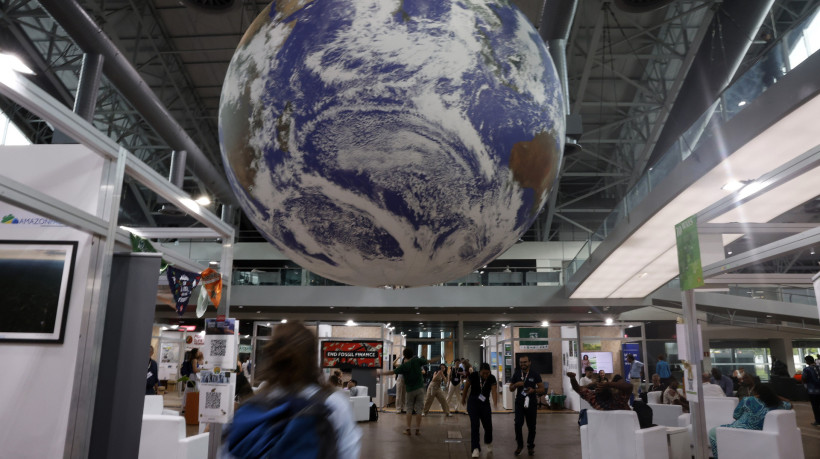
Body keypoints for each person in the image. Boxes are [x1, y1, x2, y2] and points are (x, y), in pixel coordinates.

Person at [221, 321, 361, 459]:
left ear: (272, 358)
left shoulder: (251, 406)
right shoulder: (333, 404)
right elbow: (348, 452)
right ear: (312, 358)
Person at [708, 384, 791, 458]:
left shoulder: (748, 400)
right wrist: (775, 396)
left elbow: (735, 415)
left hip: (738, 431)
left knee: (712, 432)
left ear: (757, 393)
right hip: (761, 434)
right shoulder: (781, 405)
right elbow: (790, 404)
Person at [382, 348, 427, 435]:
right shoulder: (404, 364)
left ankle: (403, 409)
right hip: (400, 379)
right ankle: (399, 409)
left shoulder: (411, 364)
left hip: (407, 382)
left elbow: (392, 371)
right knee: (399, 394)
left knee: (405, 396)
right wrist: (398, 358)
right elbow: (393, 364)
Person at [509, 355, 544, 456]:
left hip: (531, 403)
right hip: (519, 403)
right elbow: (510, 389)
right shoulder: (516, 374)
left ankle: (530, 446)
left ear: (529, 362)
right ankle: (519, 445)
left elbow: (542, 389)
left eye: (524, 362)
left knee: (531, 426)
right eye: (521, 362)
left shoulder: (535, 374)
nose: (522, 364)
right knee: (518, 424)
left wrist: (534, 390)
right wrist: (515, 385)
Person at [462, 363, 498, 457]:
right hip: (473, 402)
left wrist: (495, 403)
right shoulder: (473, 375)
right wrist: (463, 398)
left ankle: (488, 441)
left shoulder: (492, 378)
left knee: (488, 425)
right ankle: (475, 448)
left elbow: (494, 391)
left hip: (485, 403)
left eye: (487, 373)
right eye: (483, 373)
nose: (485, 375)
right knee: (475, 425)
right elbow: (466, 387)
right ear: (480, 371)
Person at [567, 371, 632, 411]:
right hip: (625, 427)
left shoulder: (594, 400)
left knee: (617, 377)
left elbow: (577, 388)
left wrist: (572, 378)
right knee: (617, 377)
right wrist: (609, 384)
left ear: (595, 392)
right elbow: (629, 386)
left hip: (601, 431)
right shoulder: (619, 401)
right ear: (611, 392)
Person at [802, 355, 820, 426]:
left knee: (815, 406)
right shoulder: (819, 367)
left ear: (808, 361)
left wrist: (805, 386)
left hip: (812, 391)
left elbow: (804, 378)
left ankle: (818, 421)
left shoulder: (807, 369)